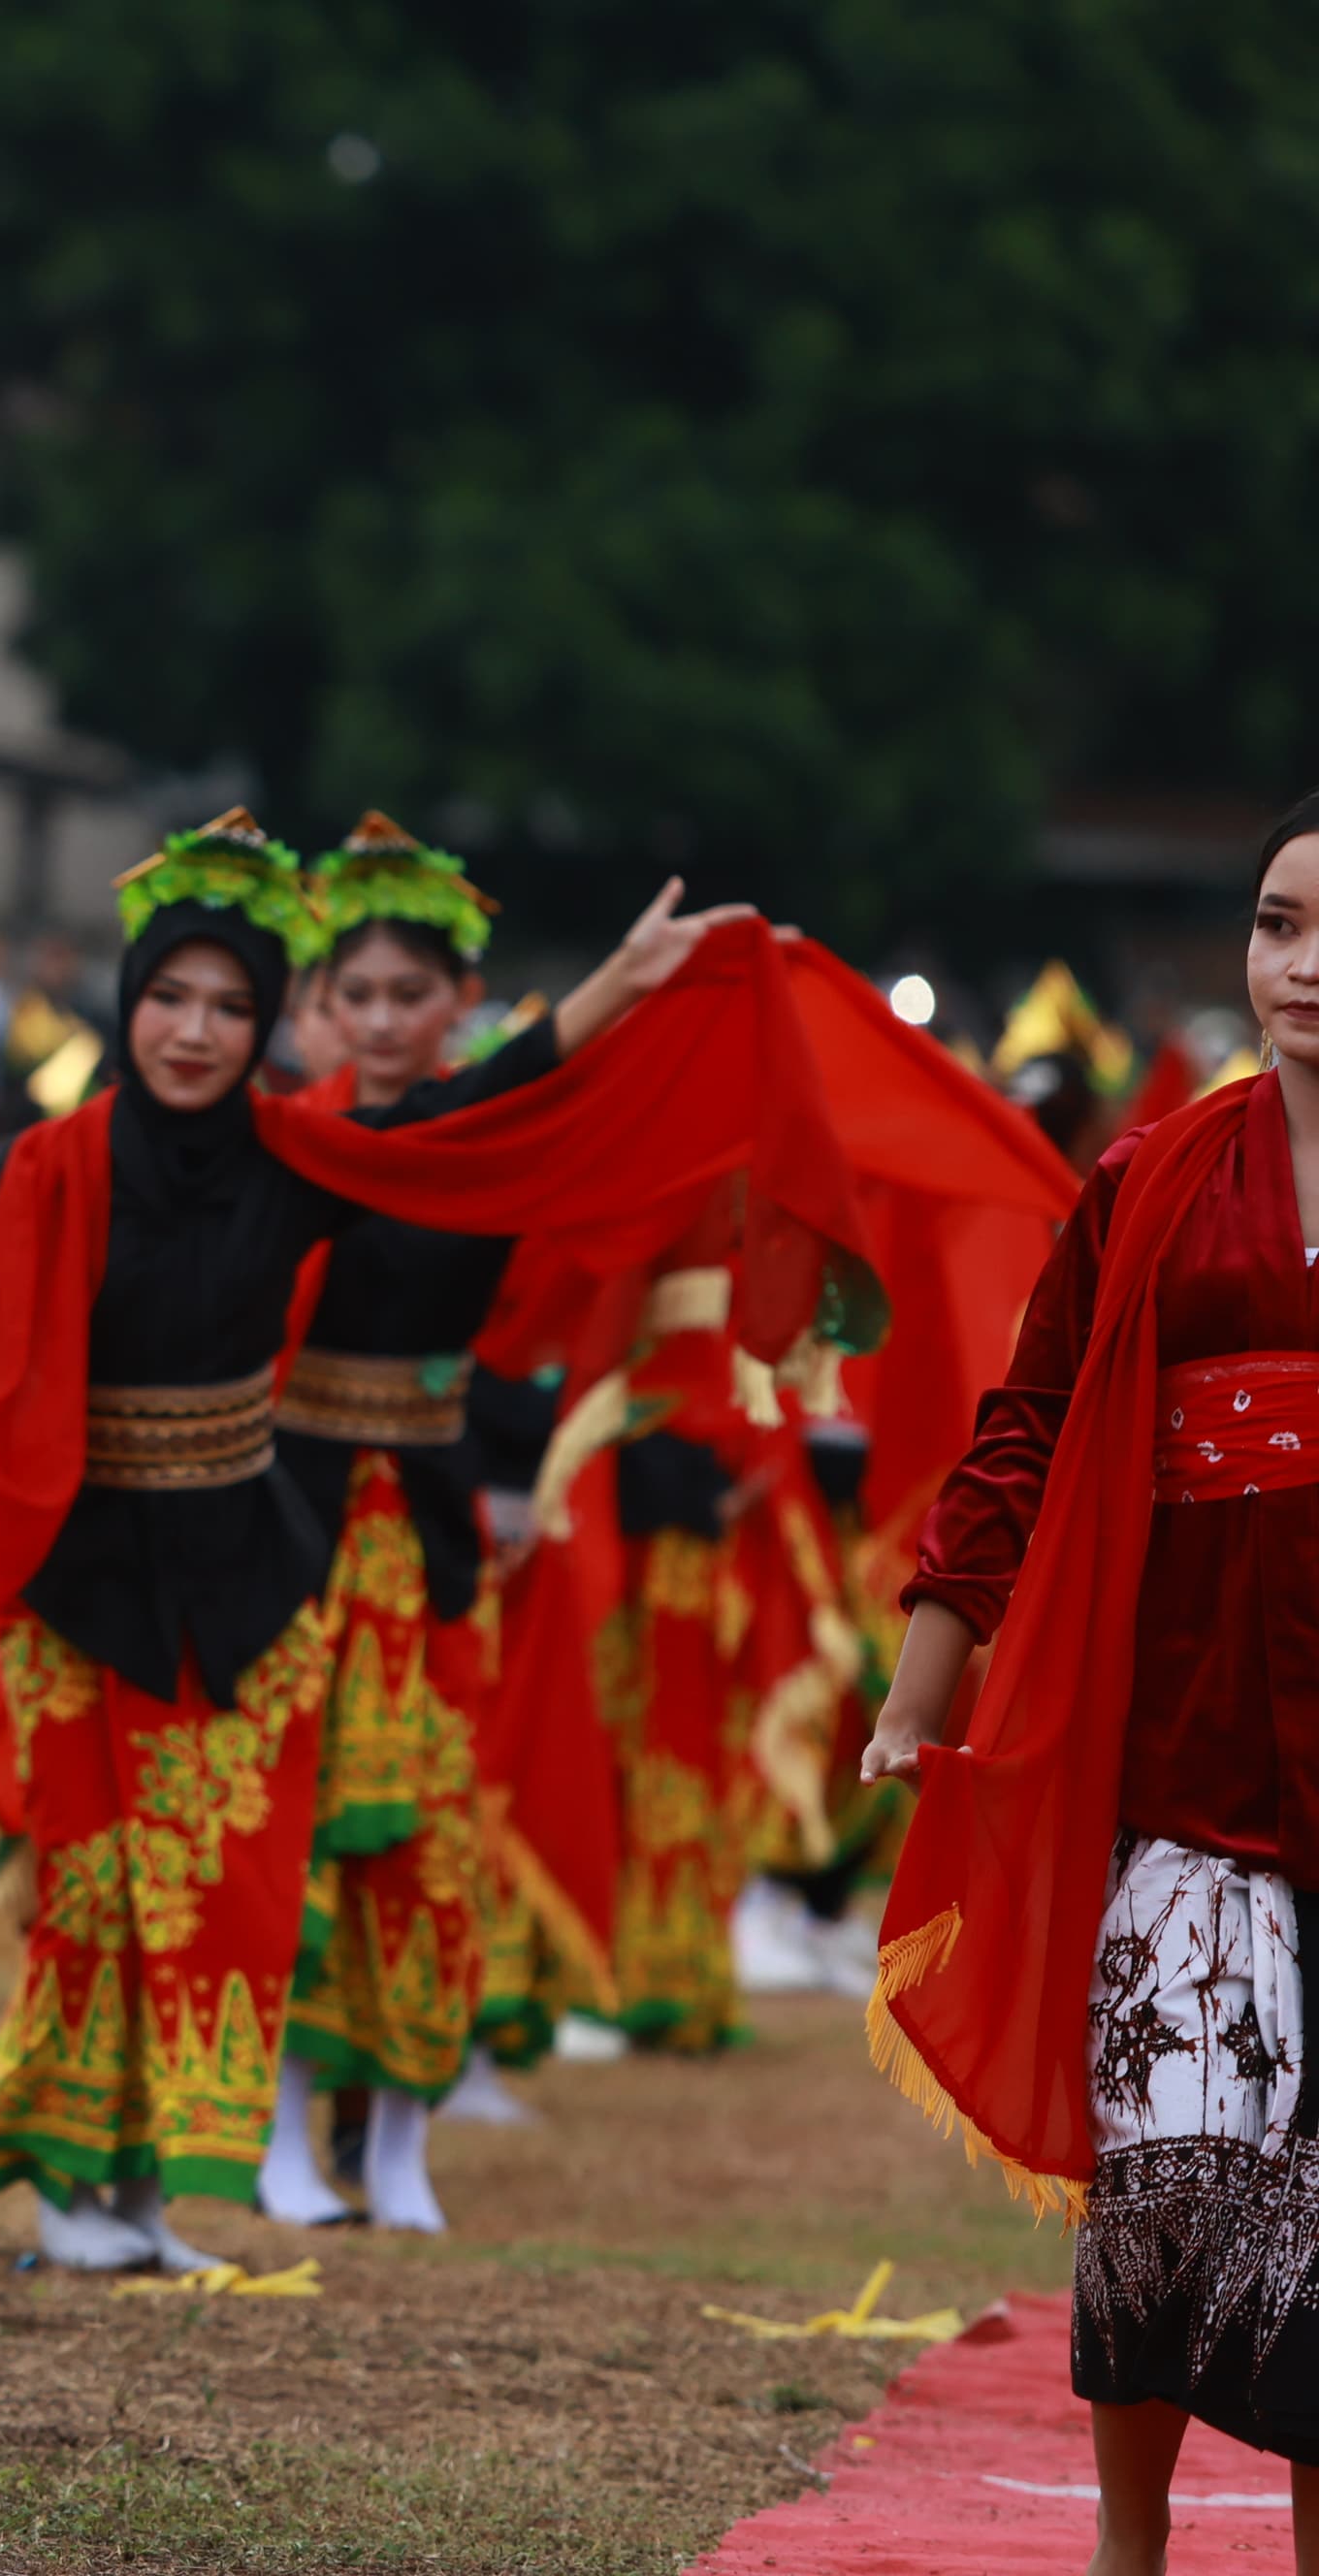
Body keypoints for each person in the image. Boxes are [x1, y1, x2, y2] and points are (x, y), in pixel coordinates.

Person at [0, 816, 750, 2274]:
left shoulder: (292, 1155)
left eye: (229, 1007)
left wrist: (611, 990)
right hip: (90, 1582)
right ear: (127, 1002)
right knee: (93, 1895)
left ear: (268, 1025)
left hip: (256, 1573)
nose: (195, 1032)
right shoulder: (45, 1168)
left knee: (221, 1900)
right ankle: (71, 2193)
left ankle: (145, 2197)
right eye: (170, 999)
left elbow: (457, 1126)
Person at [865, 793, 1319, 2561]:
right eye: (1279, 924)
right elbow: (1022, 1437)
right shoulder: (1148, 1176)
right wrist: (921, 1687)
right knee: (1164, 2176)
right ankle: (1123, 2548)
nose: (1305, 965)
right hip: (1181, 1750)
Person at [257, 818, 532, 2235]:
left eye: (405, 995)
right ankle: (289, 2130)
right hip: (296, 1526)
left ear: (457, 1006)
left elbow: (538, 1331)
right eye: (349, 995)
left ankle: (406, 2133)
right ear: (311, 1009)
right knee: (300, 1827)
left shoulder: (491, 1136)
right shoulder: (284, 1142)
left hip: (427, 1530)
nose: (375, 1019)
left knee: (426, 1840)